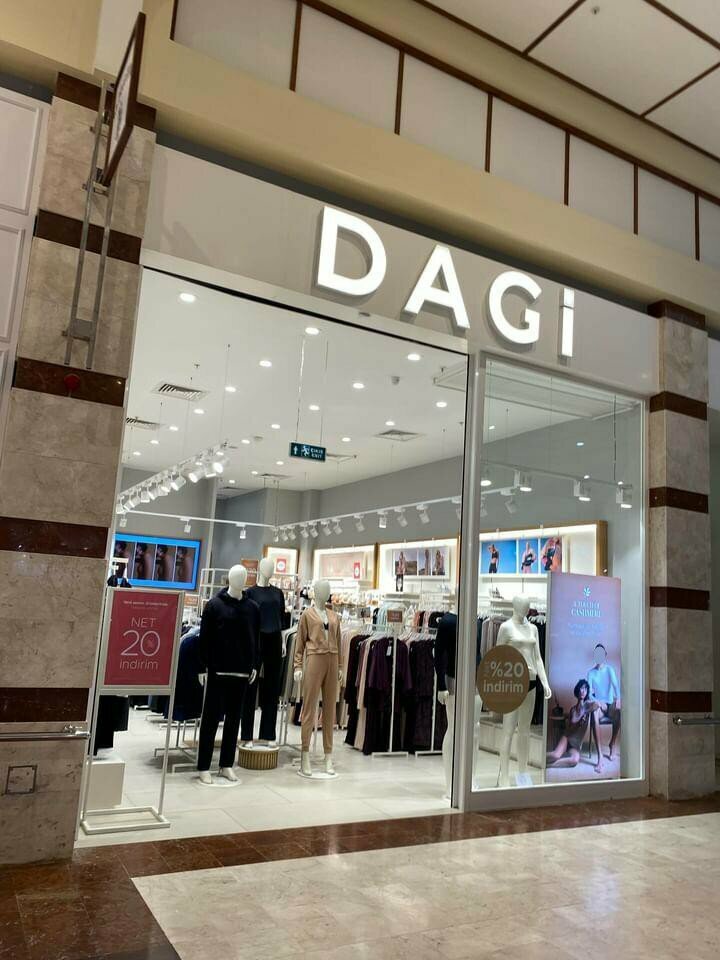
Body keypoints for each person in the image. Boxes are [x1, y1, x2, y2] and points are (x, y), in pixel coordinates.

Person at [546, 679, 600, 771]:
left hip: (575, 744)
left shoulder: (587, 706)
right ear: (578, 690)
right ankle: (540, 756)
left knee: (574, 760)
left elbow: (597, 704)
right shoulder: (573, 710)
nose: (583, 691)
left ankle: (549, 766)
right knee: (555, 755)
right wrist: (579, 721)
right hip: (567, 738)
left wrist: (585, 711)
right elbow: (571, 728)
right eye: (581, 688)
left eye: (585, 689)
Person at [587, 644, 621, 763]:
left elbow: (616, 687)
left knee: (620, 712)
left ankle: (612, 744)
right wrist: (597, 701)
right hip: (600, 706)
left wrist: (619, 699)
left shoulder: (609, 670)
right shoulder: (591, 673)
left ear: (605, 655)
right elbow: (588, 693)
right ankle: (600, 755)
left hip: (610, 705)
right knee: (594, 713)